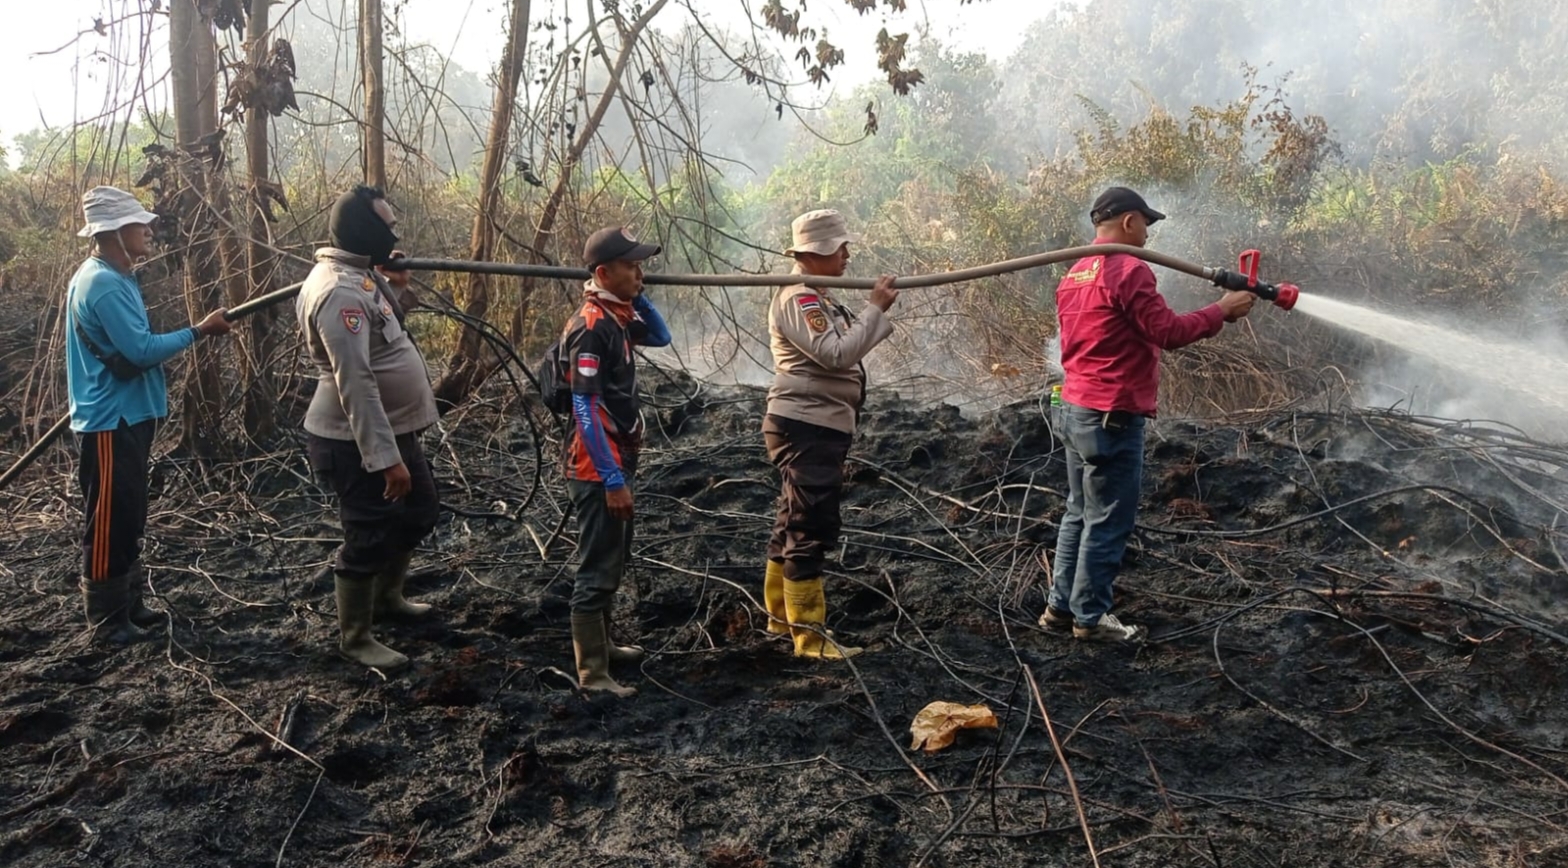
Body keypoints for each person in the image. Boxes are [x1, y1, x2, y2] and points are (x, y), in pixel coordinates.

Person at [1041, 187, 1255, 642]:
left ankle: (1060, 609)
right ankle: (1090, 618)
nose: (1148, 234)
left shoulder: (1076, 272)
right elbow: (1167, 332)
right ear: (1129, 222)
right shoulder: (1129, 269)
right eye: (1146, 224)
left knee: (1078, 512)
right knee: (1108, 518)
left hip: (1075, 408)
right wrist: (1221, 311)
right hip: (1111, 415)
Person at [66, 185, 232, 644]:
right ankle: (107, 622)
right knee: (108, 520)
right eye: (139, 224)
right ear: (115, 232)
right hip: (109, 419)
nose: (148, 231)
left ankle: (130, 604)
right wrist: (200, 330)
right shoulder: (101, 283)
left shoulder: (117, 277)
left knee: (129, 512)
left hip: (128, 416)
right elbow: (139, 351)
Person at [297, 185, 440, 672]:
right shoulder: (338, 292)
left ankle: (387, 598)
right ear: (363, 230)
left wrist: (393, 284)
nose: (395, 234)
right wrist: (385, 459)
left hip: (392, 430)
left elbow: (383, 332)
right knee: (369, 532)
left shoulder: (359, 275)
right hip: (354, 440)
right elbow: (355, 382)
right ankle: (355, 636)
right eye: (387, 226)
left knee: (418, 511)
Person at [762, 209, 899, 660]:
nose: (847, 255)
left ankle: (779, 617)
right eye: (840, 247)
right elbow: (836, 354)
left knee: (792, 518)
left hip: (816, 423)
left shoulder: (820, 296)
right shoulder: (799, 299)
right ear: (816, 252)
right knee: (810, 525)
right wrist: (874, 309)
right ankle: (809, 637)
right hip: (807, 425)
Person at [559, 226, 671, 697]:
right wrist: (610, 479)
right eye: (631, 266)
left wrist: (637, 295)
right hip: (595, 465)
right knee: (597, 568)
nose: (640, 272)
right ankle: (593, 673)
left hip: (615, 458)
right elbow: (583, 407)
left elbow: (661, 336)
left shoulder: (617, 317)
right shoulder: (592, 327)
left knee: (613, 557)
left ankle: (603, 647)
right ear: (603, 273)